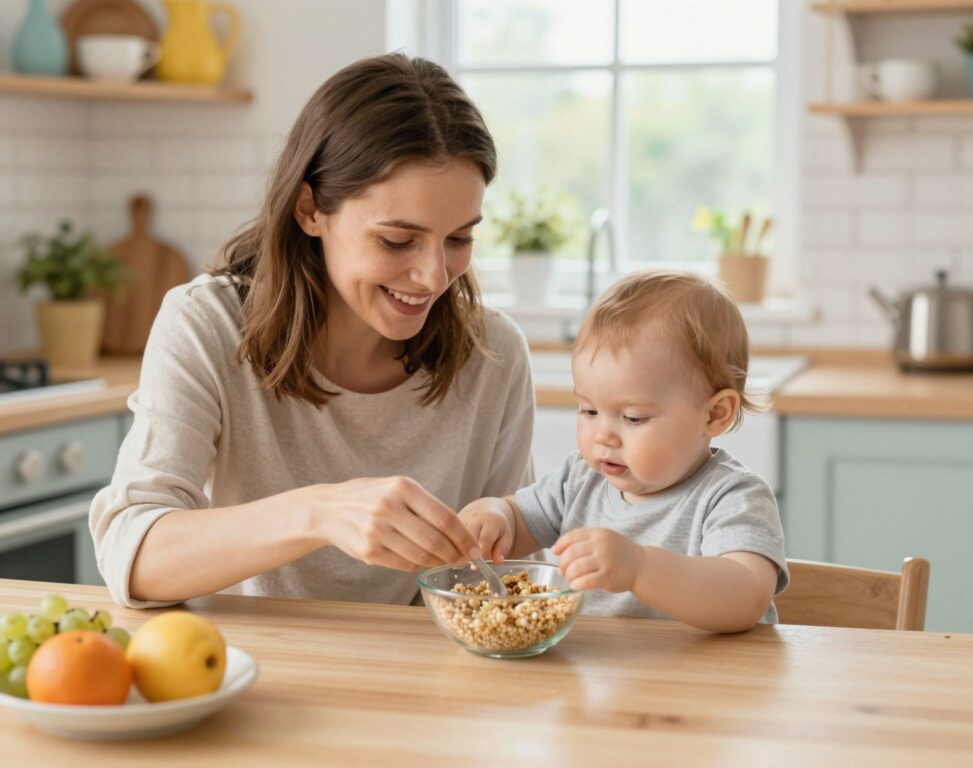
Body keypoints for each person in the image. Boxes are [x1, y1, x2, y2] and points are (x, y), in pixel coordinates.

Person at [90, 54, 535, 609]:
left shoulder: (492, 355)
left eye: (459, 239)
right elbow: (131, 555)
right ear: (309, 210)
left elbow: (512, 573)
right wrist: (320, 512)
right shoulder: (206, 324)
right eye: (397, 241)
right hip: (246, 673)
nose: (433, 276)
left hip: (425, 679)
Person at [459, 270, 788, 632]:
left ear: (714, 414)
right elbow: (518, 519)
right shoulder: (580, 481)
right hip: (605, 676)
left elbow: (744, 596)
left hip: (713, 682)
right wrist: (495, 516)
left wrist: (640, 568)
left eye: (632, 418)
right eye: (589, 411)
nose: (603, 436)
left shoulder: (731, 497)